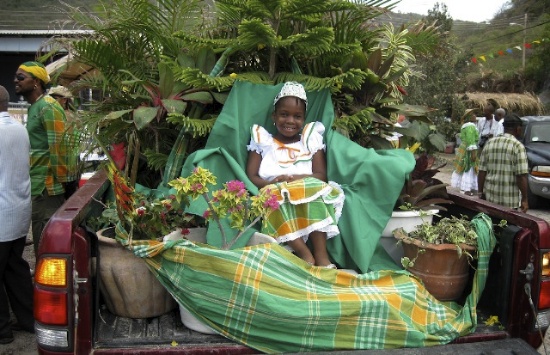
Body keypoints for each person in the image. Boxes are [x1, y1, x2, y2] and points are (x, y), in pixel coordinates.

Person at [246, 82, 345, 268]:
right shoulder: (263, 141)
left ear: (304, 119)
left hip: (305, 189)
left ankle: (321, 255)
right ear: (274, 116)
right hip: (275, 191)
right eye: (284, 114)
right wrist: (273, 182)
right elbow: (251, 175)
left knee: (315, 190)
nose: (290, 121)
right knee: (273, 196)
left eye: (297, 116)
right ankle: (304, 254)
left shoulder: (310, 140)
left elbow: (321, 175)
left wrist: (296, 179)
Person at [14, 62, 73, 256]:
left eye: (21, 77)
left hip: (48, 187)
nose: (16, 81)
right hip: (37, 184)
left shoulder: (48, 107)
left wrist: (66, 183)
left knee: (46, 240)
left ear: (36, 82)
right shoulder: (35, 107)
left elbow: (60, 149)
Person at [0, 85, 35, 344]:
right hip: (19, 213)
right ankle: (30, 319)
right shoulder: (19, 129)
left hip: (1, 215)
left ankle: (2, 331)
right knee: (15, 267)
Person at [478, 113, 529, 212]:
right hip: (509, 202)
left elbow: (482, 171)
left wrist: (480, 193)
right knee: (507, 226)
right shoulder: (518, 146)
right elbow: (521, 176)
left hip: (490, 199)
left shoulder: (490, 143)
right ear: (518, 129)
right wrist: (525, 199)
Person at [48, 85, 81, 198]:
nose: (52, 101)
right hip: (70, 168)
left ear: (64, 100)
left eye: (55, 98)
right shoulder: (75, 116)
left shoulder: (63, 116)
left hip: (63, 169)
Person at [451, 115, 479, 195]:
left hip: (463, 147)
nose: (475, 116)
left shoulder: (465, 126)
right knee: (468, 166)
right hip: (469, 149)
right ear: (469, 117)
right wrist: (473, 153)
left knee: (463, 166)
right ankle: (466, 189)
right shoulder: (470, 126)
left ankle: (465, 187)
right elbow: (471, 140)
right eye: (473, 115)